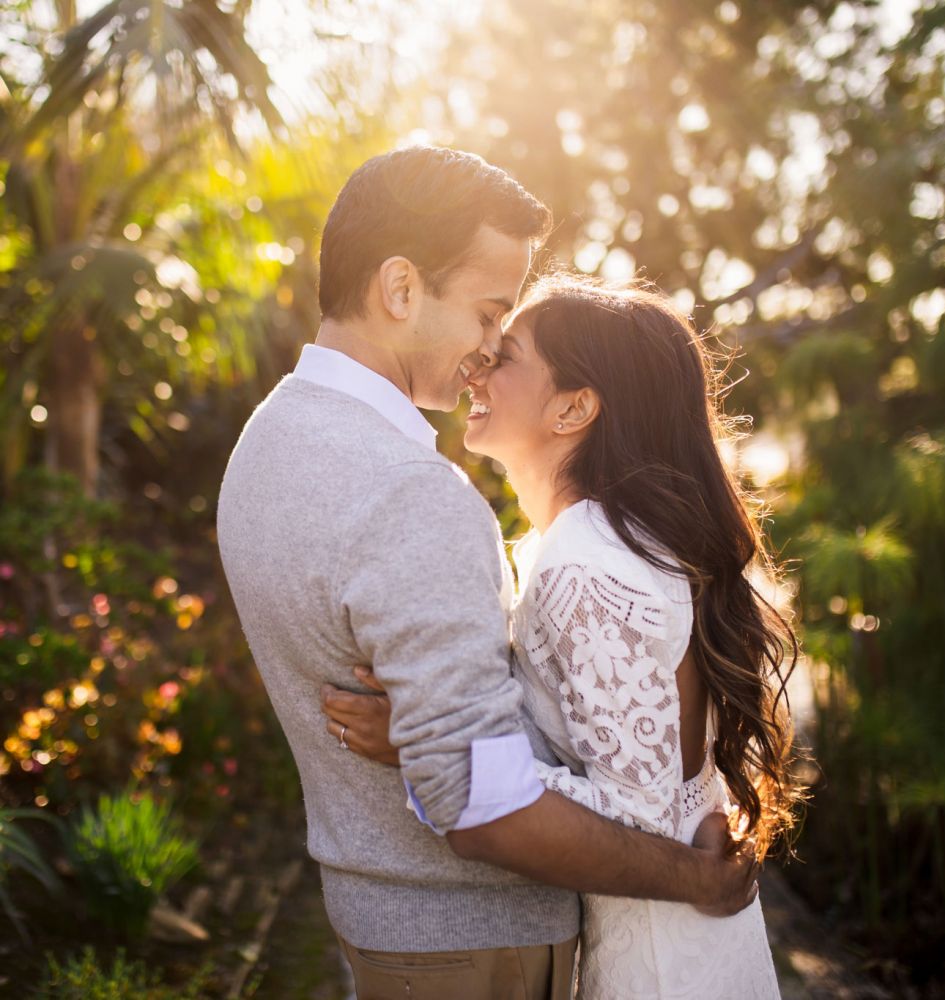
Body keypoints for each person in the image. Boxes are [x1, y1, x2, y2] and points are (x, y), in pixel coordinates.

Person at [218, 146, 757, 1000]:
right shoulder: (411, 495)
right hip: (473, 947)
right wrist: (696, 878)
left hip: (397, 924)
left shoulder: (266, 443)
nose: (488, 348)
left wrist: (427, 741)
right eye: (486, 314)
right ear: (400, 289)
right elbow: (476, 791)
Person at [321, 272, 801, 997]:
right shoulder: (613, 541)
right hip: (684, 933)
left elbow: (640, 817)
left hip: (658, 960)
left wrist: (429, 742)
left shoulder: (585, 565)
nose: (478, 364)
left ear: (574, 408)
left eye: (505, 354)